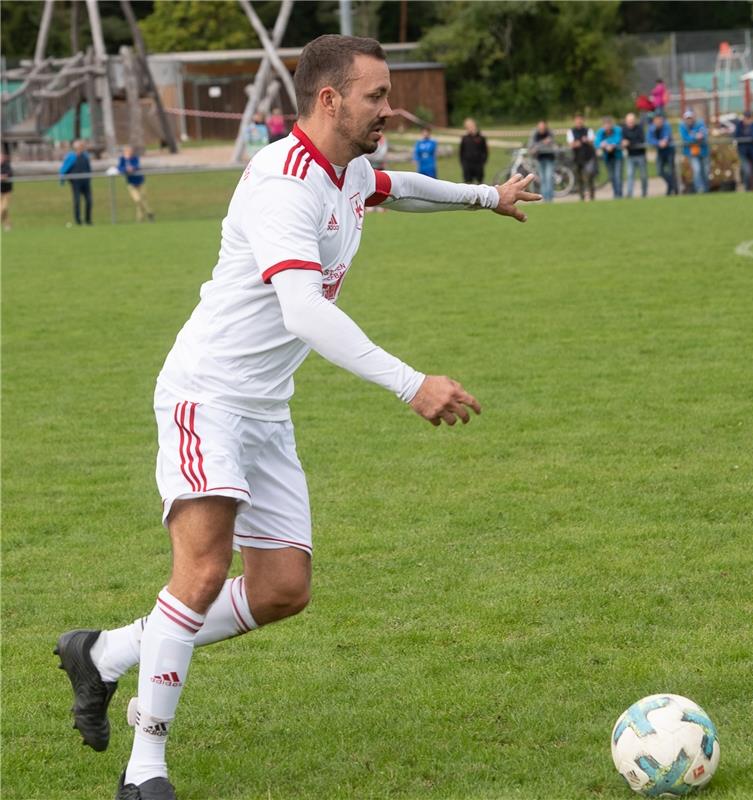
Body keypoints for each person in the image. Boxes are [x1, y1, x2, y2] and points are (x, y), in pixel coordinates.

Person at [54, 34, 539, 800]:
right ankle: (145, 769)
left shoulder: (344, 170)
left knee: (282, 588)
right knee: (204, 570)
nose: (390, 107)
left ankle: (106, 653)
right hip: (206, 395)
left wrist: (487, 197)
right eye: (376, 95)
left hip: (265, 409)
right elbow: (304, 312)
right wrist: (411, 383)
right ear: (329, 99)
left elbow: (395, 186)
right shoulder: (284, 183)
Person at [59, 139, 92, 225]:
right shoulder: (71, 157)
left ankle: (88, 220)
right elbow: (64, 168)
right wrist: (62, 179)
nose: (82, 148)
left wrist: (89, 177)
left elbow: (88, 168)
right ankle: (78, 220)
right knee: (77, 201)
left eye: (82, 146)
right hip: (76, 182)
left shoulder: (85, 156)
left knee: (89, 201)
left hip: (85, 182)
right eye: (80, 146)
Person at [118, 146, 155, 223]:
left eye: (129, 151)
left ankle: (139, 219)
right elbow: (120, 168)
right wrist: (125, 169)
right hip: (131, 183)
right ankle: (149, 212)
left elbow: (137, 165)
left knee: (142, 199)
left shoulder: (135, 158)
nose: (128, 153)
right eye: (126, 151)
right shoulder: (122, 159)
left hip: (140, 181)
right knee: (137, 200)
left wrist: (132, 168)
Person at [566, 113, 597, 201]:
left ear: (583, 121)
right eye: (577, 120)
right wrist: (577, 144)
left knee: (589, 176)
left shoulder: (588, 130)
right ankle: (582, 197)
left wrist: (587, 140)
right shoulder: (571, 131)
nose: (579, 121)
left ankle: (592, 196)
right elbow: (571, 144)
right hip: (577, 158)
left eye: (580, 120)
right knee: (579, 179)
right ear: (575, 121)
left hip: (588, 156)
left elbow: (592, 141)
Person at [647, 111, 677, 196]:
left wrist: (664, 141)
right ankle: (671, 185)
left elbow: (667, 136)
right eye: (656, 119)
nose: (658, 121)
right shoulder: (652, 128)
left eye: (660, 119)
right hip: (660, 152)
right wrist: (658, 143)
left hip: (670, 151)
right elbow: (649, 139)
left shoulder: (666, 125)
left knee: (671, 171)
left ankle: (673, 190)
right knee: (660, 171)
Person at [679, 110, 709, 194]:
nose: (689, 120)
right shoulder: (683, 126)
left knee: (705, 171)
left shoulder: (700, 123)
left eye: (690, 118)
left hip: (703, 151)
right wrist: (695, 137)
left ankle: (706, 189)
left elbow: (704, 134)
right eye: (687, 118)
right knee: (697, 170)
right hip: (692, 153)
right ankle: (699, 189)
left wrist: (694, 137)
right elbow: (686, 138)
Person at [594, 116, 623, 198]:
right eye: (605, 125)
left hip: (617, 156)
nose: (607, 126)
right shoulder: (601, 132)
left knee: (618, 176)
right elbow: (596, 142)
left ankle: (619, 194)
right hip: (607, 157)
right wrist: (602, 145)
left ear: (611, 124)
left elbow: (618, 139)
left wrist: (610, 144)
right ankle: (615, 193)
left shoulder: (617, 130)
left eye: (609, 124)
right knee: (612, 177)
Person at [621, 112, 648, 198]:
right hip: (630, 156)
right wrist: (625, 142)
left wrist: (629, 142)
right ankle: (629, 194)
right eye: (629, 121)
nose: (630, 123)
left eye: (632, 121)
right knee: (630, 175)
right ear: (626, 121)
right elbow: (623, 140)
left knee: (643, 175)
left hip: (640, 155)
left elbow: (641, 140)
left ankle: (644, 193)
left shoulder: (639, 128)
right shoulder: (624, 129)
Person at [528, 120, 557, 202]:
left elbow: (550, 143)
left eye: (543, 126)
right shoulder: (535, 135)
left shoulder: (550, 133)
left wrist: (537, 146)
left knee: (548, 178)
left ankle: (549, 199)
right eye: (540, 127)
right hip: (540, 159)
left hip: (549, 159)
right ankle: (544, 198)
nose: (542, 128)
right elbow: (531, 146)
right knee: (543, 179)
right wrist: (542, 143)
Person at [733, 110, 753, 191]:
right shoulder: (739, 125)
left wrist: (748, 136)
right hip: (743, 152)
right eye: (746, 117)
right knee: (747, 170)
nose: (747, 119)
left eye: (748, 118)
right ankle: (747, 188)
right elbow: (736, 136)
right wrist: (747, 138)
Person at [459, 118, 488, 183]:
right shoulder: (465, 138)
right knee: (467, 183)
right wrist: (463, 163)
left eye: (470, 126)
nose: (469, 128)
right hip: (467, 164)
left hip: (478, 164)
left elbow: (485, 151)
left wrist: (483, 161)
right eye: (467, 127)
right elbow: (461, 151)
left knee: (480, 182)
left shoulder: (481, 138)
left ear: (474, 126)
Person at [1, 147, 12, 231]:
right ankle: (8, 225)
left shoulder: (6, 165)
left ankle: (7, 225)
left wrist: (3, 177)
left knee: (3, 208)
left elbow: (8, 174)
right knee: (4, 210)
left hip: (6, 191)